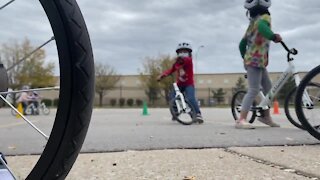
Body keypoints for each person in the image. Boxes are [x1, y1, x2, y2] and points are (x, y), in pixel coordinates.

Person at [236, 0, 282, 129]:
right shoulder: (264, 18)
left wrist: (245, 58)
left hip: (258, 62)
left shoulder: (252, 23)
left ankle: (265, 117)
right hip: (255, 61)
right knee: (254, 89)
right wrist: (273, 36)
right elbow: (263, 26)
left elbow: (241, 45)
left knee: (269, 90)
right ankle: (241, 119)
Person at [157, 42, 204, 124]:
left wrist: (180, 60)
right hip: (180, 84)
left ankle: (197, 114)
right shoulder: (177, 63)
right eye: (181, 52)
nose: (183, 54)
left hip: (189, 84)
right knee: (172, 96)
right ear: (178, 53)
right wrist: (162, 75)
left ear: (189, 54)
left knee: (190, 98)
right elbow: (171, 70)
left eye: (185, 52)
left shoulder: (189, 61)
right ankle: (176, 112)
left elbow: (185, 61)